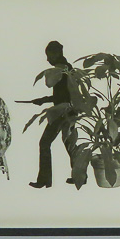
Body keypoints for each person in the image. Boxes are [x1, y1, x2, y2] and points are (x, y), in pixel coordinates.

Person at [26, 41, 77, 188]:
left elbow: (61, 97)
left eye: (49, 55)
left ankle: (44, 180)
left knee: (45, 143)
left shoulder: (60, 70)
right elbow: (63, 95)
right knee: (70, 143)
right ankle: (80, 176)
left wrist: (43, 100)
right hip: (70, 111)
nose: (47, 59)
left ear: (57, 54)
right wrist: (44, 100)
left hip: (61, 112)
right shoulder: (68, 68)